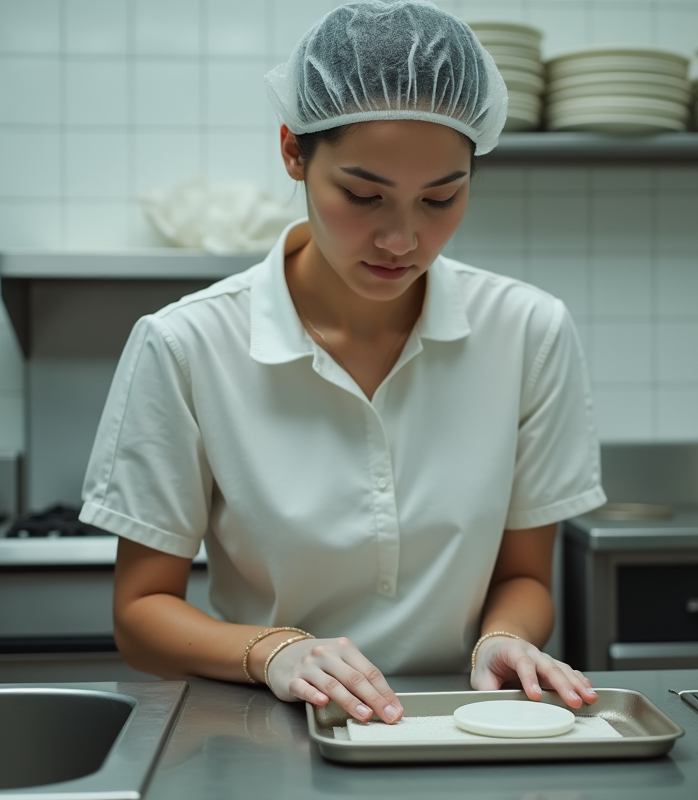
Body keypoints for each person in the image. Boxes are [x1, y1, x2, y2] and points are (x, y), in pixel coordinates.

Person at [80, 0, 605, 727]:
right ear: (293, 151)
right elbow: (140, 615)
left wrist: (505, 637)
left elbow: (523, 575)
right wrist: (275, 653)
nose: (402, 237)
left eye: (441, 198)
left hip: (461, 725)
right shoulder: (187, 345)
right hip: (267, 729)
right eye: (364, 195)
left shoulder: (527, 331)